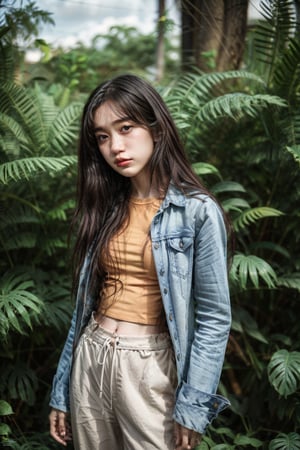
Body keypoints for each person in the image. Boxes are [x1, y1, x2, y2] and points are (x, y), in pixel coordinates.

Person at [49, 74, 232, 450]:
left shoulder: (198, 212)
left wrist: (193, 406)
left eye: (126, 127)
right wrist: (61, 388)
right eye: (102, 136)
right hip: (92, 357)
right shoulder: (107, 208)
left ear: (156, 127)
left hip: (150, 370)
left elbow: (214, 318)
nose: (115, 146)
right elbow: (82, 308)